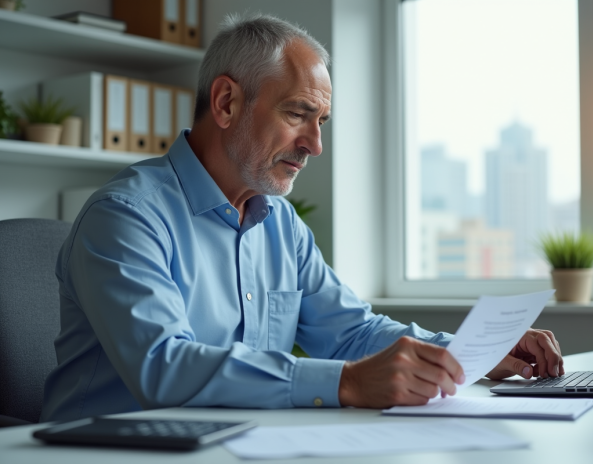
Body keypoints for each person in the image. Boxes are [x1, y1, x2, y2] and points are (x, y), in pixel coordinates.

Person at [41, 14, 563, 422]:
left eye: (321, 122)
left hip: (237, 444)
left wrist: (469, 353)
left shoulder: (281, 225)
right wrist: (347, 383)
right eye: (297, 114)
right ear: (226, 102)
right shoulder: (126, 217)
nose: (314, 144)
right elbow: (163, 366)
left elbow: (352, 333)